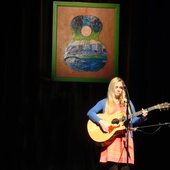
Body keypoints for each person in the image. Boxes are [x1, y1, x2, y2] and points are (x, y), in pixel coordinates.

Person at [87, 77, 148, 170]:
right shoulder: (105, 102)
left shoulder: (128, 103)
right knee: (113, 167)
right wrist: (101, 122)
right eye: (116, 87)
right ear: (112, 88)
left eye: (121, 87)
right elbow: (90, 112)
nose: (119, 89)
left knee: (125, 168)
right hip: (111, 140)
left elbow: (134, 120)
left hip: (125, 140)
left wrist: (143, 117)